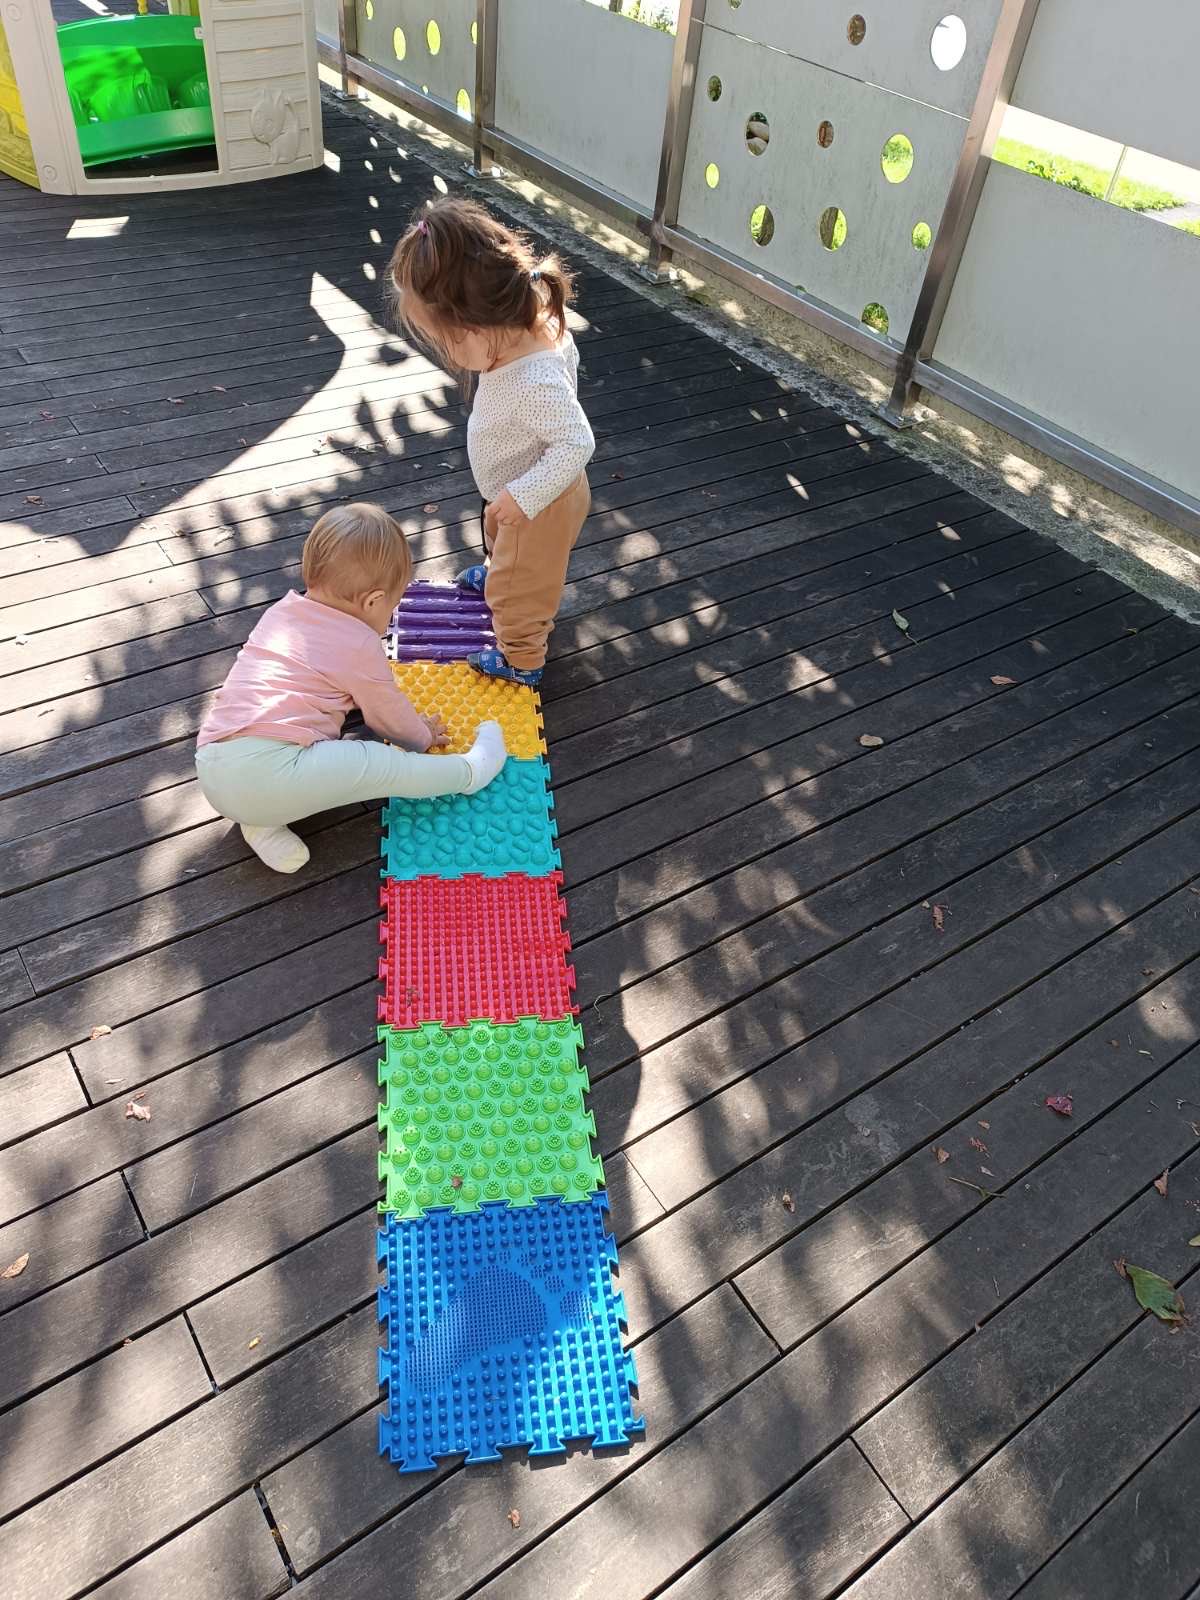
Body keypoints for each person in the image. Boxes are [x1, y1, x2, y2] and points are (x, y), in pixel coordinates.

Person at [194, 503, 507, 874]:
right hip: (271, 773)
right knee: (377, 763)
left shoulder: (280, 613)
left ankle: (260, 822)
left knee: (279, 783)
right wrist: (421, 736)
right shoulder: (359, 642)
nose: (390, 617)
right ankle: (468, 773)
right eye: (392, 606)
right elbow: (386, 714)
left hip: (214, 769)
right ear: (373, 600)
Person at [388, 198, 595, 688]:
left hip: (541, 501)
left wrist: (525, 497)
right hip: (520, 487)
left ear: (475, 327)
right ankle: (501, 569)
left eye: (447, 343)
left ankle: (522, 658)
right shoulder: (531, 323)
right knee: (502, 540)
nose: (448, 354)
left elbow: (576, 441)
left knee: (521, 593)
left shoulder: (532, 378)